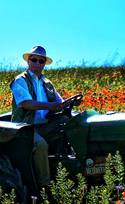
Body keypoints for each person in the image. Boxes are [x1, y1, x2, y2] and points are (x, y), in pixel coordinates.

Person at [9, 45, 82, 188]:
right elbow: (26, 103)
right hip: (25, 127)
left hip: (46, 125)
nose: (37, 63)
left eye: (40, 61)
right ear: (28, 62)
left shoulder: (47, 83)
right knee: (40, 144)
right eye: (34, 60)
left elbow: (59, 103)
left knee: (74, 127)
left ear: (44, 64)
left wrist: (73, 103)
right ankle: (45, 187)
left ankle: (78, 169)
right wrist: (49, 106)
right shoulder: (20, 81)